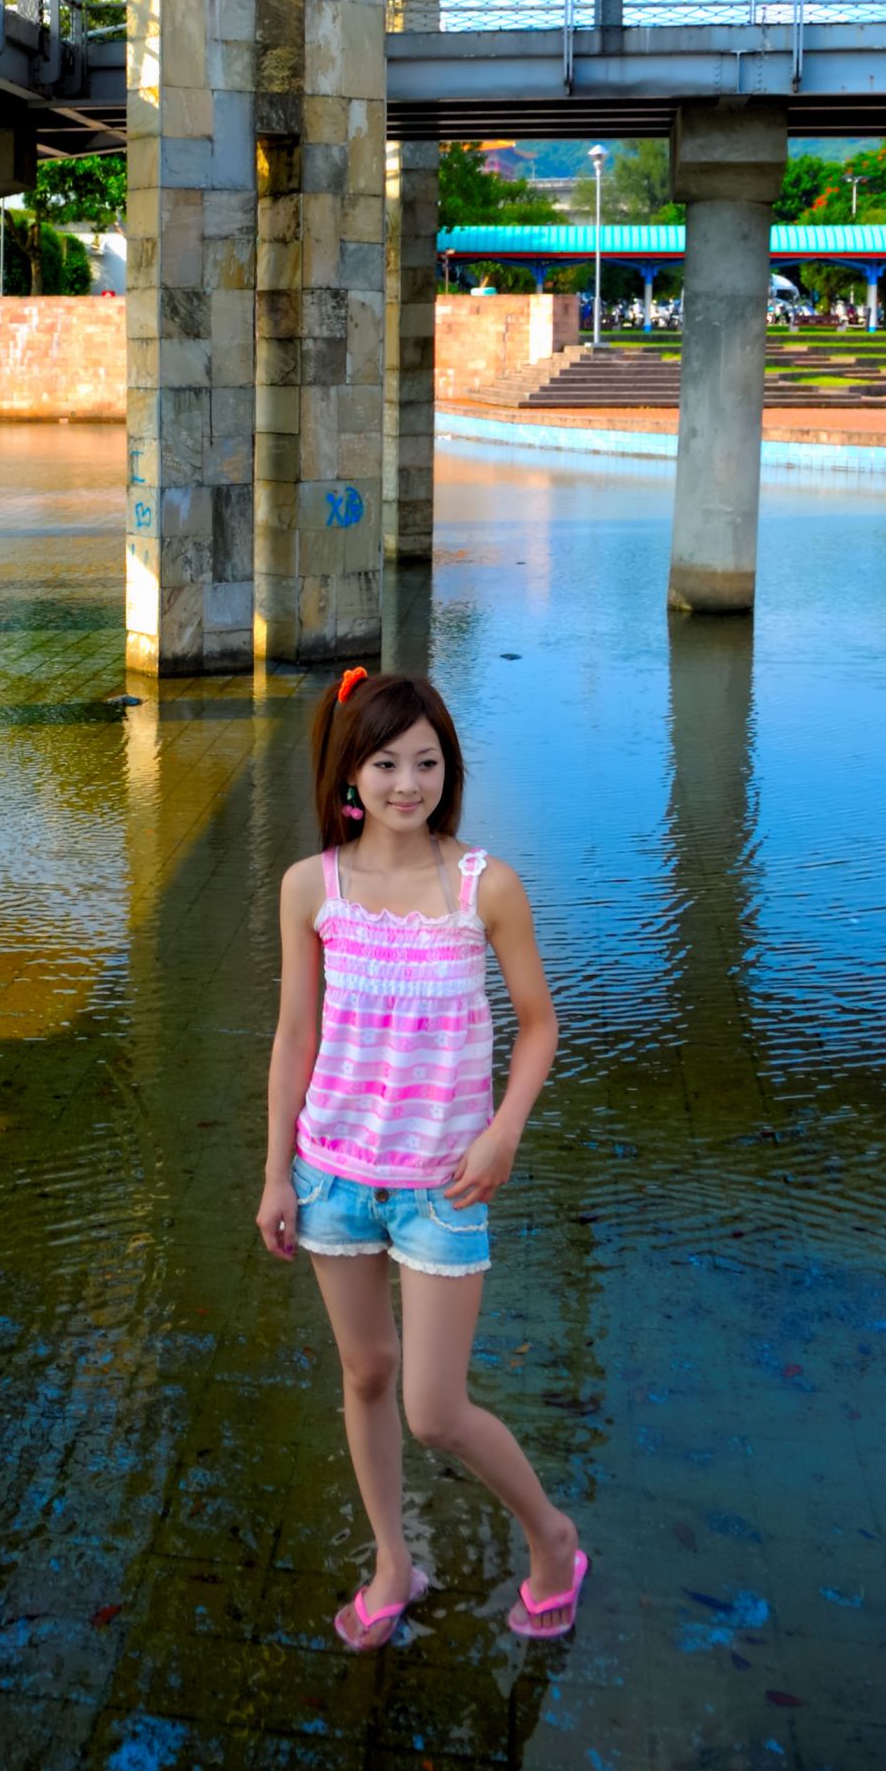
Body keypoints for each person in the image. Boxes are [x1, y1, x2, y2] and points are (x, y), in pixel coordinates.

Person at [257, 668, 586, 1650]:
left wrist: (504, 1129)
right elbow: (291, 1035)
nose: (409, 782)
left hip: (444, 1186)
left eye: (428, 761)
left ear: (451, 768)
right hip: (332, 1177)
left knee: (434, 1409)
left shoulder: (486, 887)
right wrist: (276, 1171)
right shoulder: (309, 887)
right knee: (364, 1375)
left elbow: (538, 1026)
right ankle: (394, 1561)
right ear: (348, 774)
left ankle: (553, 1539)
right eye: (386, 761)